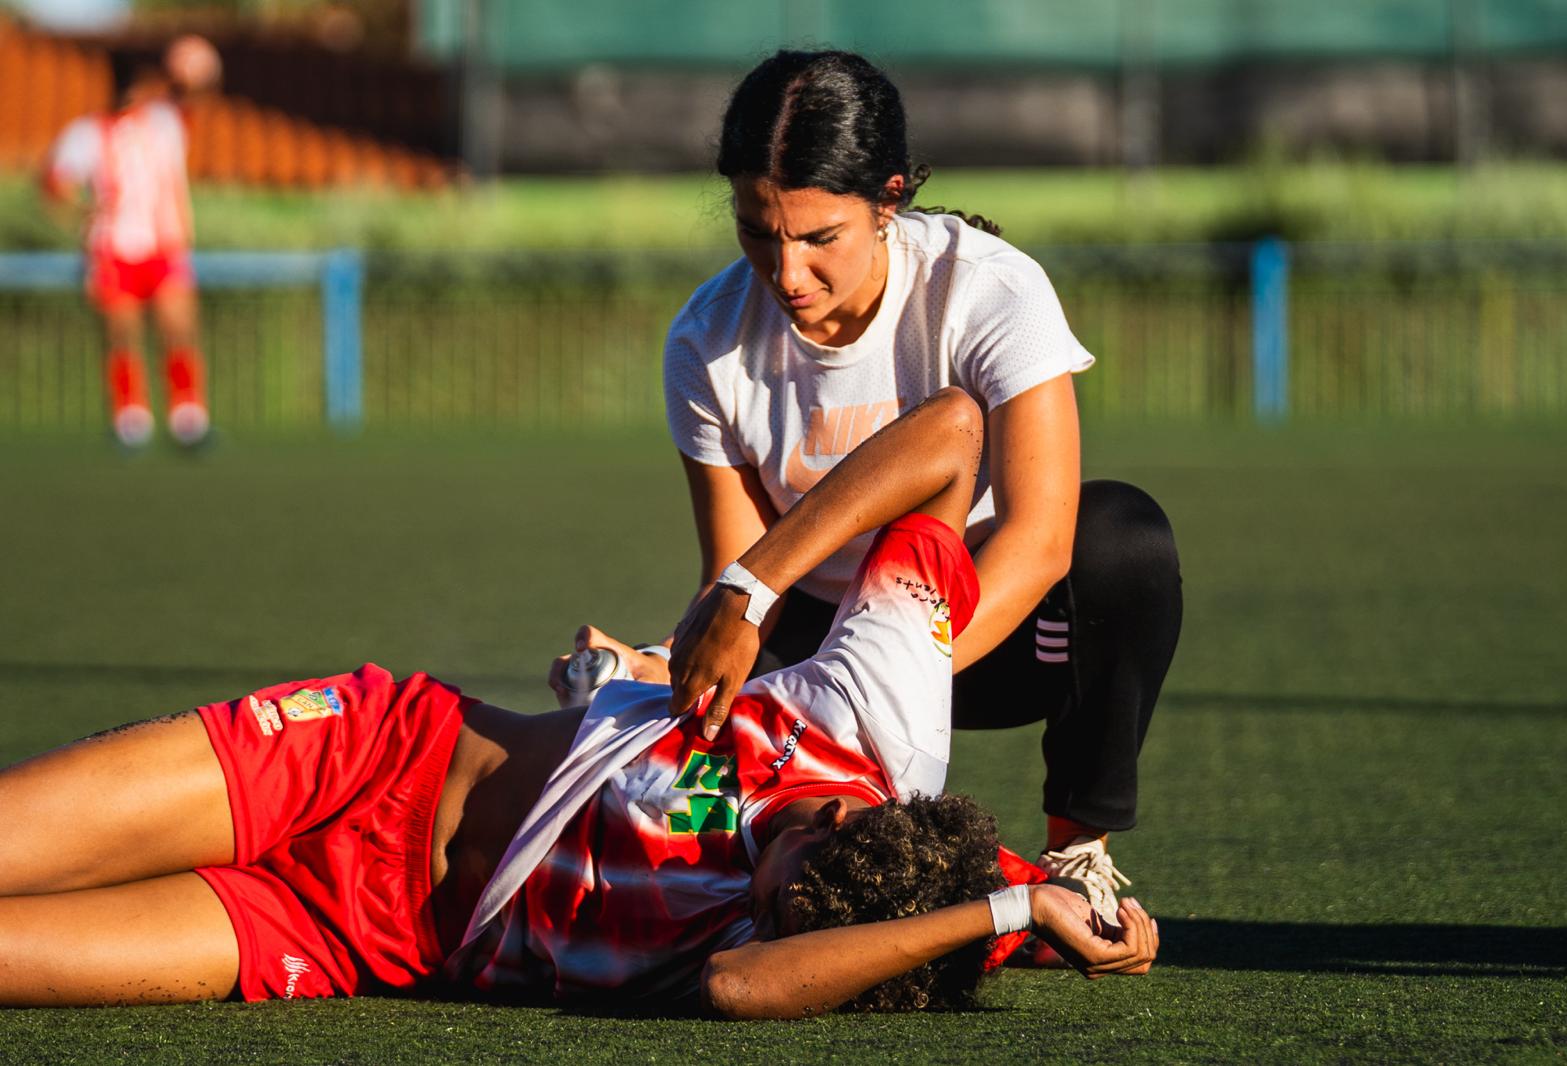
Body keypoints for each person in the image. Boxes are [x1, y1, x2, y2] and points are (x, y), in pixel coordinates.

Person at [0, 389, 1156, 1014]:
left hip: (346, 931)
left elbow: (739, 981)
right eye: (799, 838)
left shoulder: (815, 937)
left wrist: (1010, 920)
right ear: (861, 812)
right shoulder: (877, 729)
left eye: (777, 898)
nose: (765, 858)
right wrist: (750, 587)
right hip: (366, 757)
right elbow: (954, 434)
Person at [550, 49, 1184, 923]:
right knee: (676, 777)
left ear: (888, 199)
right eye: (756, 232)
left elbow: (1039, 541)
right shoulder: (705, 341)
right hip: (809, 636)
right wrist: (714, 661)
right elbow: (740, 574)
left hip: (983, 629)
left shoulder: (992, 290)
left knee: (1123, 539)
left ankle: (1077, 849)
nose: (786, 275)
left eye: (819, 239)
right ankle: (638, 683)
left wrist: (888, 675)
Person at [40, 35, 220, 450]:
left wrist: (197, 68)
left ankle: (188, 416)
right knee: (123, 334)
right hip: (113, 249)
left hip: (164, 246)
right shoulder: (88, 132)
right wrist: (82, 212)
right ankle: (130, 418)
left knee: (179, 328)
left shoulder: (165, 123)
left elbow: (198, 99)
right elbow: (56, 181)